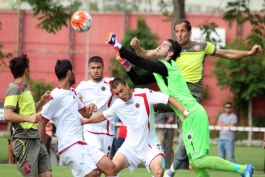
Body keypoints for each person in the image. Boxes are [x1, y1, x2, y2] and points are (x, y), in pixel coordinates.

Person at [105, 33, 254, 177]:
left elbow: (141, 62)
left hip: (192, 114)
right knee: (196, 164)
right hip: (187, 117)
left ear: (170, 54)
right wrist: (125, 64)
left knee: (198, 160)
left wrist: (116, 45)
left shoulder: (167, 66)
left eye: (163, 46)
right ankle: (242, 169)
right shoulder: (160, 72)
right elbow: (137, 80)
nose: (159, 47)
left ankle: (242, 169)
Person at [81, 78, 189, 177]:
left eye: (121, 90)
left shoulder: (145, 94)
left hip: (150, 146)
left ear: (127, 86)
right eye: (117, 94)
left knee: (159, 172)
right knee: (111, 170)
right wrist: (86, 121)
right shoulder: (118, 104)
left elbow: (168, 98)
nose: (120, 95)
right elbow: (103, 116)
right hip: (130, 147)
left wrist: (183, 110)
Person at [38, 59, 117, 177]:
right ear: (69, 72)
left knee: (111, 168)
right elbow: (42, 123)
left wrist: (90, 107)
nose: (75, 73)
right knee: (93, 174)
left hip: (81, 143)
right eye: (74, 70)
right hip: (69, 146)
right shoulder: (54, 96)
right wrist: (43, 151)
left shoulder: (73, 92)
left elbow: (85, 113)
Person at [3, 54, 52, 177]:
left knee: (47, 174)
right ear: (26, 70)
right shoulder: (14, 88)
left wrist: (41, 102)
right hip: (24, 140)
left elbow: (28, 112)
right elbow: (7, 115)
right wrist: (29, 118)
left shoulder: (25, 89)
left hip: (35, 138)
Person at [75, 56, 115, 158]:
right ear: (88, 69)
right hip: (90, 129)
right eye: (93, 68)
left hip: (108, 131)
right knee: (98, 158)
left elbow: (126, 94)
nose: (96, 70)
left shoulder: (111, 83)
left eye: (98, 67)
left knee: (101, 168)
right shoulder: (83, 86)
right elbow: (70, 100)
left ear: (103, 68)